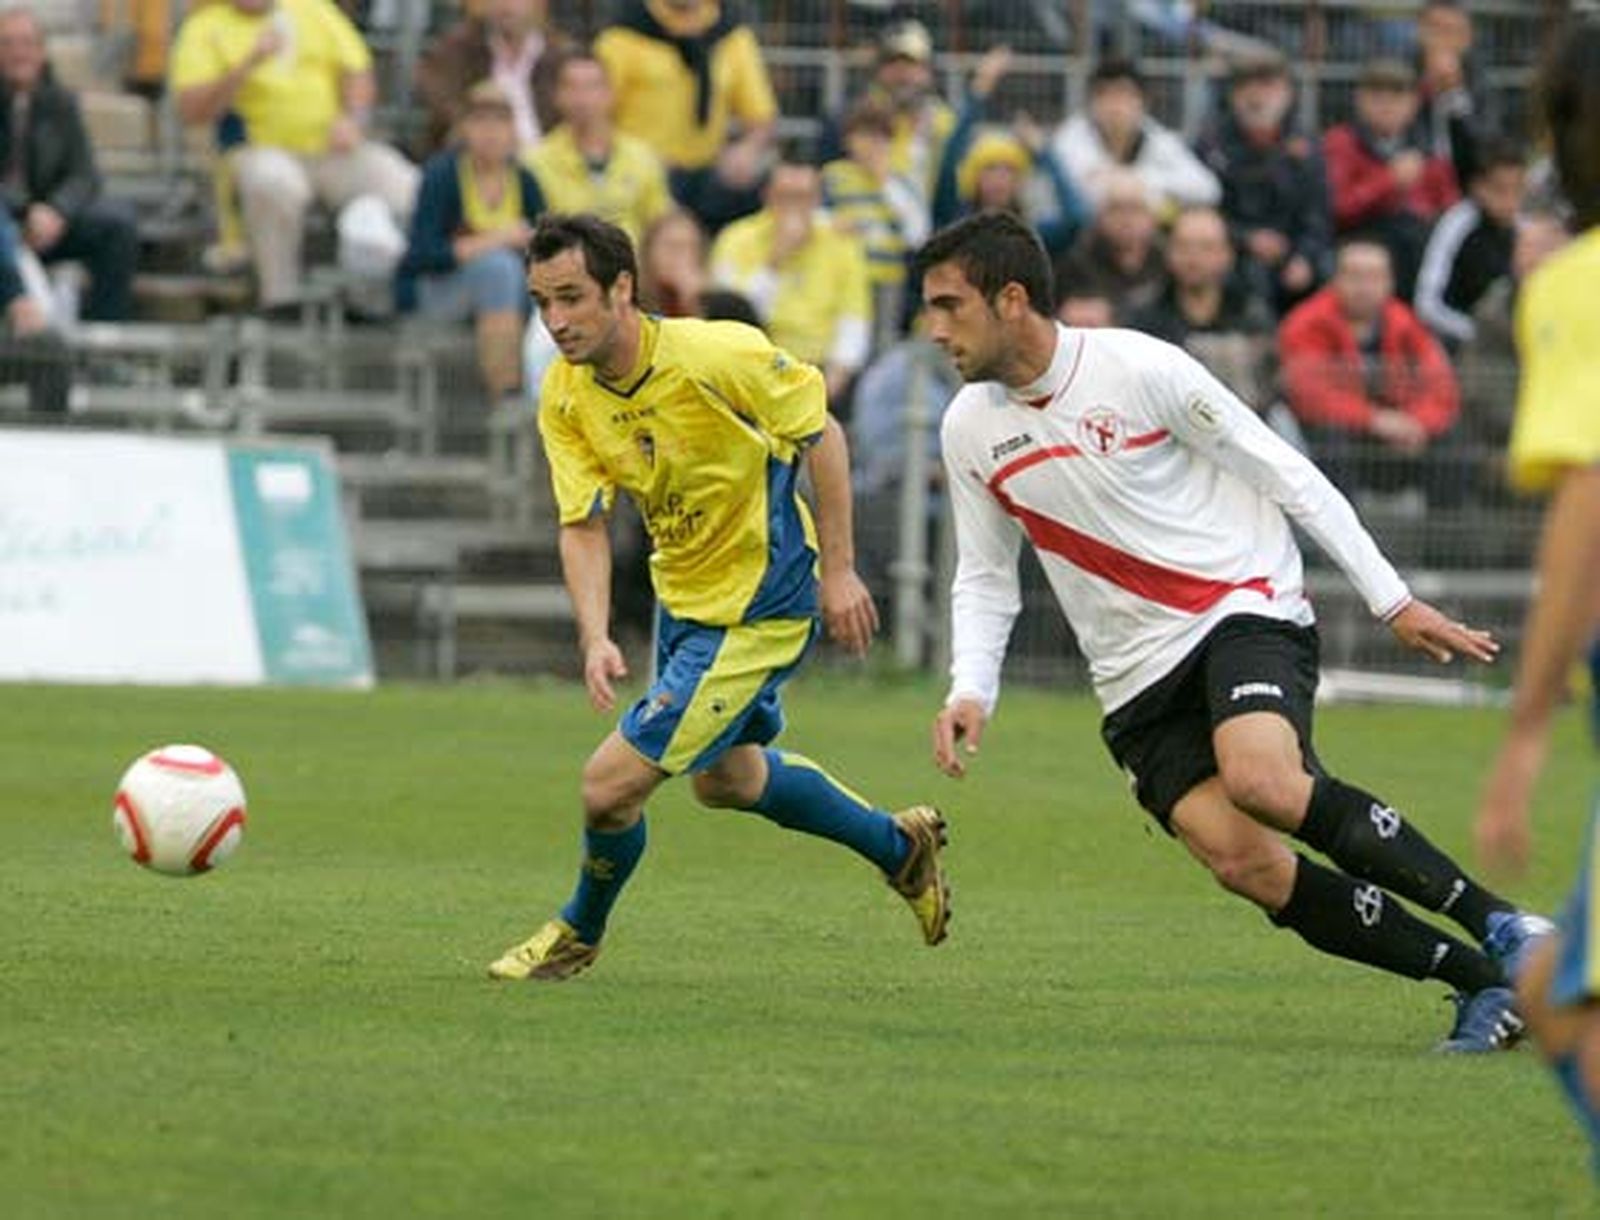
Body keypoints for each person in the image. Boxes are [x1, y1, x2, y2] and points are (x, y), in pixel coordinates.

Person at [916, 210, 1546, 1052]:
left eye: (949, 305)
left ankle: (1504, 923)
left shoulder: (1139, 368)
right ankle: (1485, 987)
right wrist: (971, 688)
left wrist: (1391, 599)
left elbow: (1284, 471)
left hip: (1238, 605)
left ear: (1012, 300)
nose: (934, 329)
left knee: (1264, 781)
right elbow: (986, 575)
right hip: (1133, 677)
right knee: (1244, 863)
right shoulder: (969, 427)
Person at [487, 213, 949, 981]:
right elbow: (583, 524)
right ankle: (899, 849)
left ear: (622, 289)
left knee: (607, 787)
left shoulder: (715, 354)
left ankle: (578, 932)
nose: (556, 321)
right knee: (726, 780)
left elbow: (824, 433)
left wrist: (839, 572)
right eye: (541, 303)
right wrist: (595, 634)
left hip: (760, 603)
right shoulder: (566, 394)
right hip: (685, 601)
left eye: (571, 297)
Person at [1473, 18, 1600, 1174]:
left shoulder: (1573, 288)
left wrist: (1522, 735)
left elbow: (1585, 511)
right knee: (1555, 986)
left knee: (1560, 998)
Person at [169, 0, 419, 313]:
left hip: (332, 150)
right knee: (274, 182)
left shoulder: (313, 9)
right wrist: (248, 64)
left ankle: (381, 298)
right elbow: (192, 110)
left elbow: (358, 72)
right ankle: (280, 299)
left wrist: (354, 120)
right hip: (257, 149)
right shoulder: (204, 27)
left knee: (402, 183)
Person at [1279, 238, 1461, 505]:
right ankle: (1340, 529)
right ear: (1335, 279)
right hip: (1336, 436)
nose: (1364, 287)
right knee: (1331, 437)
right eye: (1354, 276)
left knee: (1452, 441)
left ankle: (1445, 528)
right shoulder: (1306, 323)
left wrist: (1417, 423)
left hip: (1396, 433)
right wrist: (1374, 419)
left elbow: (1441, 387)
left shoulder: (1406, 324)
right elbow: (1308, 395)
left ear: (1390, 282)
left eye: (1374, 277)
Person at [397, 82, 545, 401]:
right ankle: (506, 392)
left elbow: (546, 248)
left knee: (547, 284)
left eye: (500, 121)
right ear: (464, 128)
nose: (490, 132)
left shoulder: (525, 180)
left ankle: (554, 395)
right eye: (480, 120)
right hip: (440, 289)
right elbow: (421, 255)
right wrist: (495, 240)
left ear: (513, 130)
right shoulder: (442, 175)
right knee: (498, 268)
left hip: (514, 294)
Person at [0, 6, 138, 322]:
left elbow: (84, 173)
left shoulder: (61, 103)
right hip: (6, 222)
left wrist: (58, 210)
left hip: (48, 224)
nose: (18, 53)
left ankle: (106, 335)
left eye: (27, 43)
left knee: (118, 225)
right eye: (7, 44)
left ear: (41, 51)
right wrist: (26, 211)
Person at [595, 0, 776, 231]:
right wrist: (633, 156)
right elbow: (595, 112)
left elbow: (761, 116)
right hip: (641, 174)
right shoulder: (623, 35)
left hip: (708, 174)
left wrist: (747, 150)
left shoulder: (731, 35)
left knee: (756, 194)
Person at [709, 162, 872, 406]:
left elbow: (854, 320)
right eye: (785, 197)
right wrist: (775, 261)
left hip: (817, 370)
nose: (794, 207)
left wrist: (828, 390)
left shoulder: (840, 241)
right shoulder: (736, 238)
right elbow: (731, 319)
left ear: (817, 199)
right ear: (767, 196)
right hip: (752, 365)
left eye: (803, 197)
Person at [1193, 49, 1331, 315]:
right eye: (1246, 85)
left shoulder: (1306, 147)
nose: (1256, 96)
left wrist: (1305, 256)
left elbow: (1318, 215)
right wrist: (1245, 238)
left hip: (1292, 251)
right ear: (1232, 94)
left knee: (1328, 271)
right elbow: (1202, 209)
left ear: (1288, 93)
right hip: (1231, 250)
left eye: (1267, 84)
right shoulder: (1211, 144)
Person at [930, 47, 1087, 257]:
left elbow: (1076, 218)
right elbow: (949, 161)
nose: (999, 178)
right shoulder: (954, 223)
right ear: (974, 176)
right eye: (990, 168)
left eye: (1008, 170)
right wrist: (979, 91)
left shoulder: (1030, 235)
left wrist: (1044, 153)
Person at [1323, 59, 1458, 302]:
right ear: (1359, 100)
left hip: (1419, 250)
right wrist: (1388, 181)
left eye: (1397, 97)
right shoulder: (1340, 143)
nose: (1386, 106)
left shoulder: (1428, 148)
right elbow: (1335, 208)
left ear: (1414, 103)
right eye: (1377, 96)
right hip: (1358, 243)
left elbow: (1449, 207)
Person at [524, 48, 672, 246]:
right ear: (557, 96)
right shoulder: (534, 162)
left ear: (610, 94)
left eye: (592, 87)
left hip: (634, 260)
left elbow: (661, 224)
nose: (582, 99)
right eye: (572, 87)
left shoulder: (642, 157)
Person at [1130, 206, 1275, 406]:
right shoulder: (1143, 315)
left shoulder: (1250, 313)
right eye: (1183, 246)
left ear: (1227, 254)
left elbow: (1267, 385)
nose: (1193, 257)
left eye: (1206, 248)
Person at [817, 18, 955, 219]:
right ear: (878, 70)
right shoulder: (847, 120)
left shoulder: (948, 123)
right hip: (862, 226)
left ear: (929, 71)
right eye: (892, 64)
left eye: (911, 64)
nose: (902, 74)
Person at [1049, 57, 1219, 217]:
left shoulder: (1157, 138)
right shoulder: (1070, 137)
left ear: (1143, 102)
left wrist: (1141, 181)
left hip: (1147, 226)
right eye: (1104, 95)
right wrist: (1140, 193)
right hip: (1083, 231)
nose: (1115, 106)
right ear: (1090, 103)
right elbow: (1076, 195)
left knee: (1199, 222)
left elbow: (1208, 189)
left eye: (1123, 94)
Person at [821, 97, 929, 348]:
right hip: (846, 274)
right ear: (848, 139)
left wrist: (884, 181)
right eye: (864, 135)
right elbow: (818, 217)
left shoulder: (899, 179)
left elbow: (917, 232)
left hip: (888, 276)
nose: (872, 144)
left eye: (880, 137)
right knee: (846, 338)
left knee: (883, 342)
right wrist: (833, 224)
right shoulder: (834, 175)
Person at [414, 0, 566, 160]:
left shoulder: (560, 55)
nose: (506, 5)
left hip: (548, 162)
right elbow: (445, 104)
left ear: (540, 4)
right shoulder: (457, 49)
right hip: (472, 158)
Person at [1413, 139, 1524, 350]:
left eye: (1517, 189)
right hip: (1462, 343)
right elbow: (1427, 303)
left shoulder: (1525, 228)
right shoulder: (1456, 225)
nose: (1510, 200)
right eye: (1500, 190)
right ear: (1477, 187)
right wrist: (1476, 332)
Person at [1052, 168, 1167, 321]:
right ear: (1100, 216)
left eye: (1136, 209)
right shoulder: (1076, 265)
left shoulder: (1168, 262)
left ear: (1153, 218)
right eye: (1116, 209)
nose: (1126, 219)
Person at [635, 206, 707, 317]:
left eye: (692, 248)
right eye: (673, 246)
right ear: (649, 251)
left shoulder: (711, 299)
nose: (683, 257)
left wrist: (693, 302)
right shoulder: (631, 299)